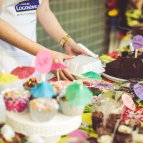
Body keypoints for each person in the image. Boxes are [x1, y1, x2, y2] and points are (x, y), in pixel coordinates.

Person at [0, 0, 88, 89]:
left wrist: (67, 42)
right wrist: (43, 53)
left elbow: (43, 9)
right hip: (4, 58)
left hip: (33, 55)